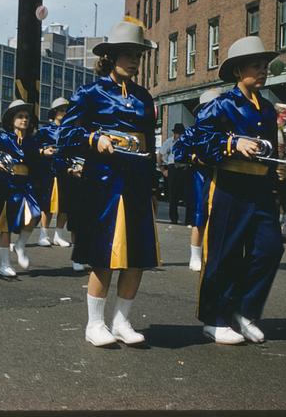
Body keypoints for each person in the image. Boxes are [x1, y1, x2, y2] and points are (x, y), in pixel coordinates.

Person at [57, 18, 158, 347]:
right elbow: (66, 135)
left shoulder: (144, 97)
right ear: (111, 56)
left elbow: (149, 144)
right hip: (103, 183)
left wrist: (152, 183)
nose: (134, 60)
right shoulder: (90, 93)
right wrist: (94, 137)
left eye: (138, 54)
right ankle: (94, 323)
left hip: (138, 182)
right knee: (104, 254)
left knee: (138, 254)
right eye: (127, 53)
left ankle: (122, 320)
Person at [191, 36, 284, 345]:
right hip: (229, 186)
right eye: (256, 65)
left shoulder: (268, 109)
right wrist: (232, 143)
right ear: (237, 71)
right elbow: (194, 143)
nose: (263, 70)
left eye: (265, 65)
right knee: (223, 253)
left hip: (259, 187)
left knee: (270, 249)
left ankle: (244, 310)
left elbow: (268, 150)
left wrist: (280, 167)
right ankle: (214, 319)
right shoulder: (222, 104)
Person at [0, 99, 43, 277]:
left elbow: (35, 161)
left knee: (35, 213)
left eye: (26, 117)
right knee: (5, 226)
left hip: (26, 184)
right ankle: (5, 263)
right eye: (20, 116)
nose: (24, 120)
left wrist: (43, 154)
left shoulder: (32, 141)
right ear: (12, 120)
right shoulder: (2, 138)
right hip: (6, 184)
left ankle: (21, 244)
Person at [173, 88, 222, 272]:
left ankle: (216, 254)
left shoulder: (226, 130)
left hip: (223, 176)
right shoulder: (195, 131)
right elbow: (179, 153)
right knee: (200, 216)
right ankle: (195, 254)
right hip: (201, 176)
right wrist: (195, 158)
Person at [34, 97, 72, 248]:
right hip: (48, 170)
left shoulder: (71, 131)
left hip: (66, 170)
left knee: (65, 205)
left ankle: (58, 235)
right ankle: (43, 234)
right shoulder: (44, 130)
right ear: (55, 112)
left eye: (66, 110)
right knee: (47, 203)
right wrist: (43, 151)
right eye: (61, 110)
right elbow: (33, 148)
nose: (64, 113)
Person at [158, 123, 186, 224]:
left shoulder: (186, 142)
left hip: (184, 168)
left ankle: (189, 219)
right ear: (174, 133)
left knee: (186, 194)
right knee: (173, 195)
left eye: (181, 133)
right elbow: (160, 155)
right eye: (178, 133)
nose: (180, 135)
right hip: (173, 167)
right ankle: (173, 218)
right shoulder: (169, 142)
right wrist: (162, 169)